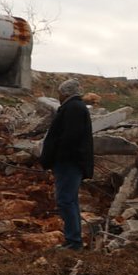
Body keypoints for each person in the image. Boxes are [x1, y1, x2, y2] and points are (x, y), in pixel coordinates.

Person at [40, 78, 94, 250]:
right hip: (71, 162)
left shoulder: (73, 108)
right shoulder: (76, 107)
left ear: (65, 93)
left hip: (69, 163)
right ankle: (73, 239)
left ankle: (74, 241)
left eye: (60, 94)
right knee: (70, 200)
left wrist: (56, 158)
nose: (59, 97)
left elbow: (69, 138)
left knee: (66, 200)